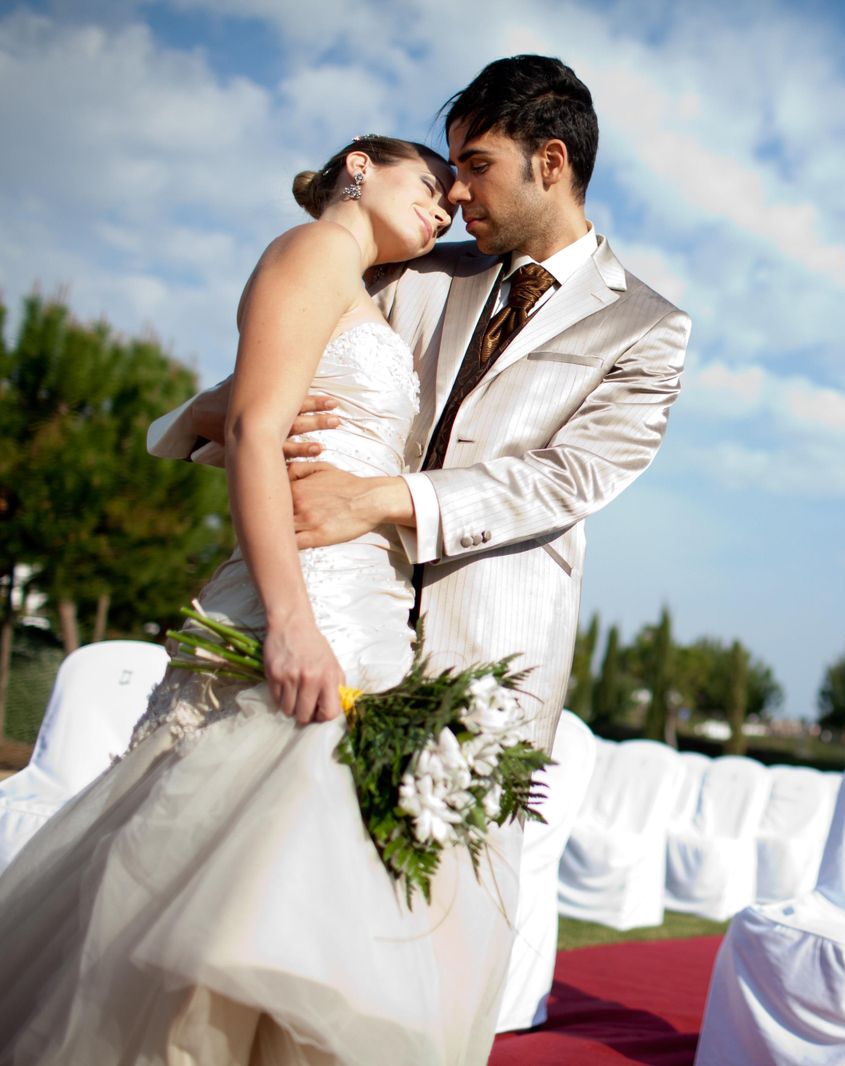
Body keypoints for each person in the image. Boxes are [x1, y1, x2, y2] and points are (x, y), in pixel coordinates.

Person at [0, 137, 518, 1063]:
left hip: (366, 611)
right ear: (359, 165)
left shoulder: (360, 286)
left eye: (454, 199)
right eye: (430, 187)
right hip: (301, 607)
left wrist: (201, 414)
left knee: (299, 892)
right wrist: (290, 623)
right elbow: (249, 427)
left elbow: (238, 404)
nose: (444, 210)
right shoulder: (310, 248)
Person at [151, 54, 691, 758]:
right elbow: (279, 376)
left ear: (550, 163)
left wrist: (381, 499)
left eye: (477, 165)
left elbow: (573, 477)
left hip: (492, 646)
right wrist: (196, 419)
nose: (456, 192)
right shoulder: (408, 268)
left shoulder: (648, 326)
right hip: (327, 606)